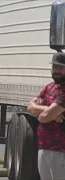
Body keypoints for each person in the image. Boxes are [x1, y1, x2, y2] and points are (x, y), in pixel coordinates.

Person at [27, 52, 65, 180]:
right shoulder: (50, 87)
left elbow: (44, 117)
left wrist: (45, 114)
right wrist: (47, 110)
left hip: (60, 150)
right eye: (55, 67)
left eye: (61, 67)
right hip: (44, 146)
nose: (57, 71)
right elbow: (30, 107)